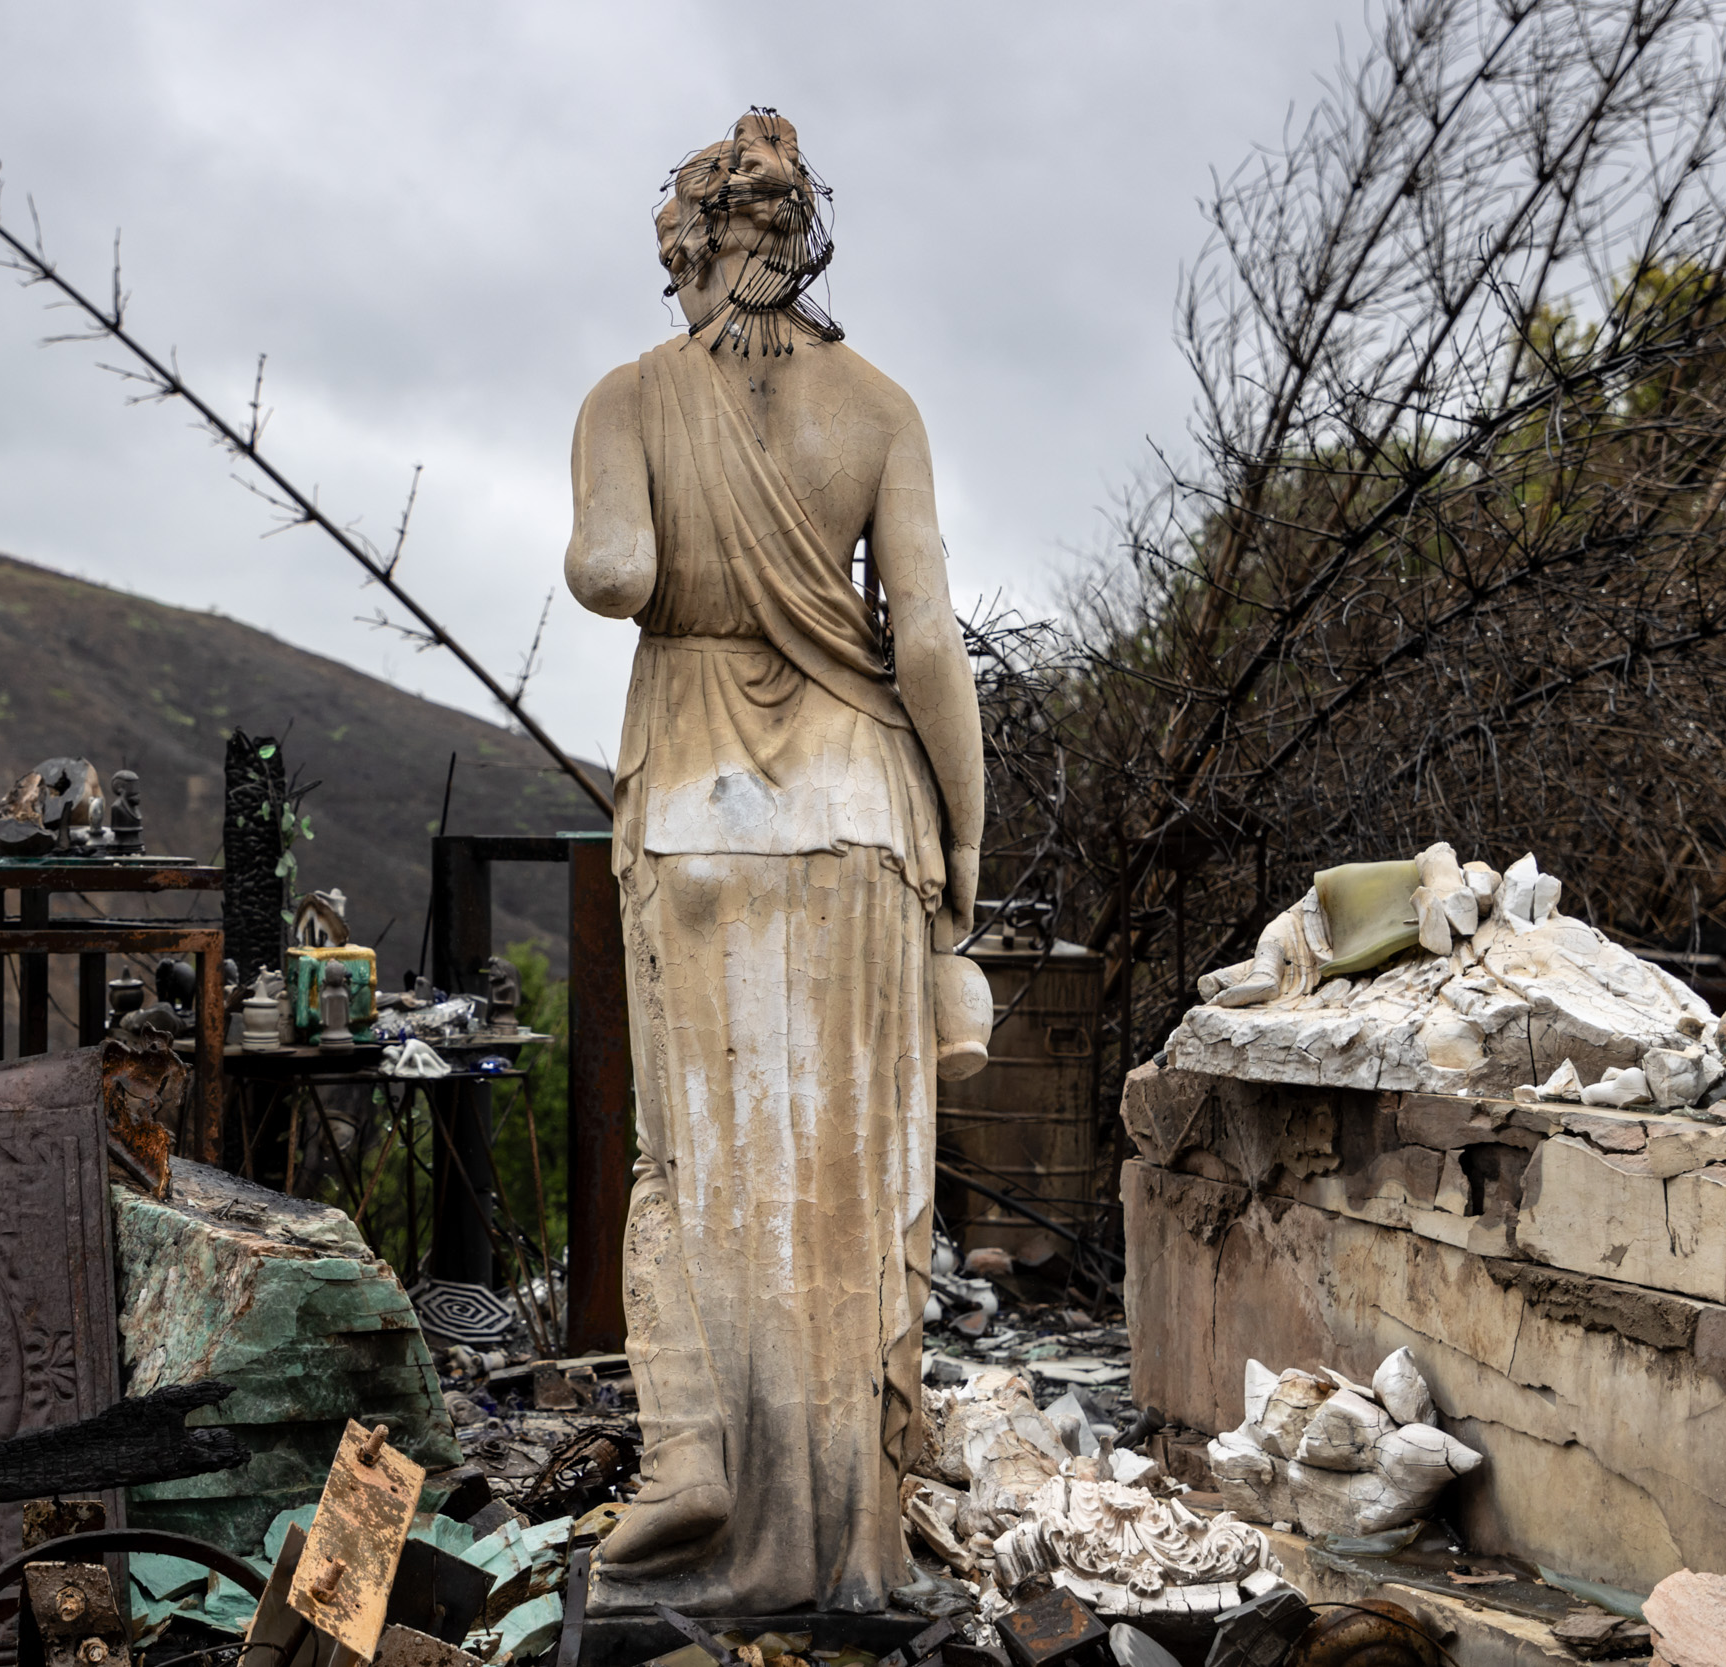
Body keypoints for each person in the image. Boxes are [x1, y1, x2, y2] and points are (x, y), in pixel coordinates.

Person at [562, 109, 984, 1614]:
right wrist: (966, 848)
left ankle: (701, 1480)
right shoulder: (880, 405)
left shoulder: (629, 396)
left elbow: (610, 571)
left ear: (689, 248)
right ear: (801, 242)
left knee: (695, 1168)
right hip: (867, 810)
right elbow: (926, 641)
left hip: (691, 810)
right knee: (854, 1194)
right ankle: (850, 1552)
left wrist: (663, 533)